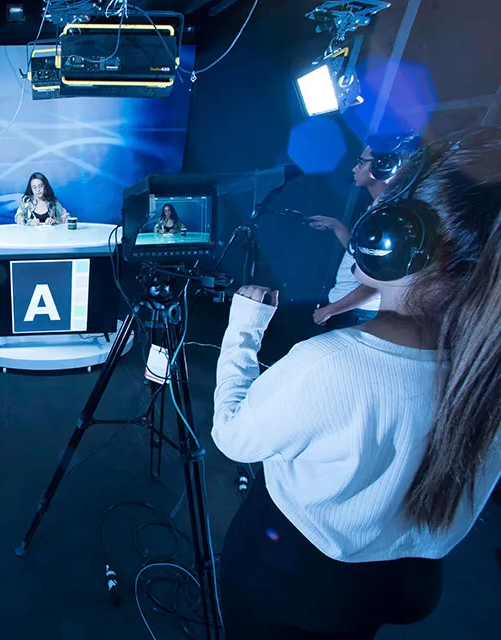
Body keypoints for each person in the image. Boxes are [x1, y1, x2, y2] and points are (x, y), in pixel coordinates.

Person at [211, 127, 501, 638]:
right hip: (394, 585)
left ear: (396, 238)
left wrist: (243, 330)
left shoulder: (330, 364)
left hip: (298, 581)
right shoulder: (487, 373)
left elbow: (233, 438)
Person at [308, 135, 417, 329]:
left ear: (383, 166)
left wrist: (331, 310)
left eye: (361, 163)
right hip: (346, 309)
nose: (354, 168)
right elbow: (361, 256)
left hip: (353, 312)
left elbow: (381, 281)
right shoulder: (377, 207)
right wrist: (337, 226)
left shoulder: (388, 216)